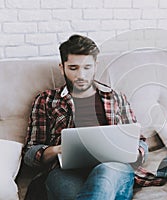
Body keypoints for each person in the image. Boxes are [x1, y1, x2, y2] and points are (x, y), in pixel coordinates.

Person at [23, 34, 148, 200]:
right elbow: (30, 154)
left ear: (96, 66)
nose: (81, 75)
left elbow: (140, 143)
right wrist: (58, 149)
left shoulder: (116, 97)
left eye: (87, 67)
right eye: (73, 68)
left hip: (111, 166)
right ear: (62, 68)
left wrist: (130, 150)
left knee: (105, 175)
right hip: (66, 170)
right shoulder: (46, 100)